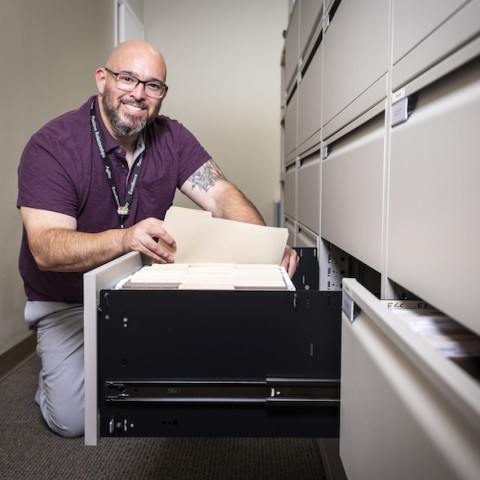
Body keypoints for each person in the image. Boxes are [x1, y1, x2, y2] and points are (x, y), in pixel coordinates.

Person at [17, 40, 299, 437]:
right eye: (127, 78)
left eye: (153, 85)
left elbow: (220, 194)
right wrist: (124, 238)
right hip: (67, 302)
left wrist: (262, 244)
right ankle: (55, 379)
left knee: (185, 384)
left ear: (162, 94)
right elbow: (46, 249)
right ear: (103, 80)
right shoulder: (52, 146)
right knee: (73, 421)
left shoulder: (173, 138)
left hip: (141, 289)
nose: (139, 94)